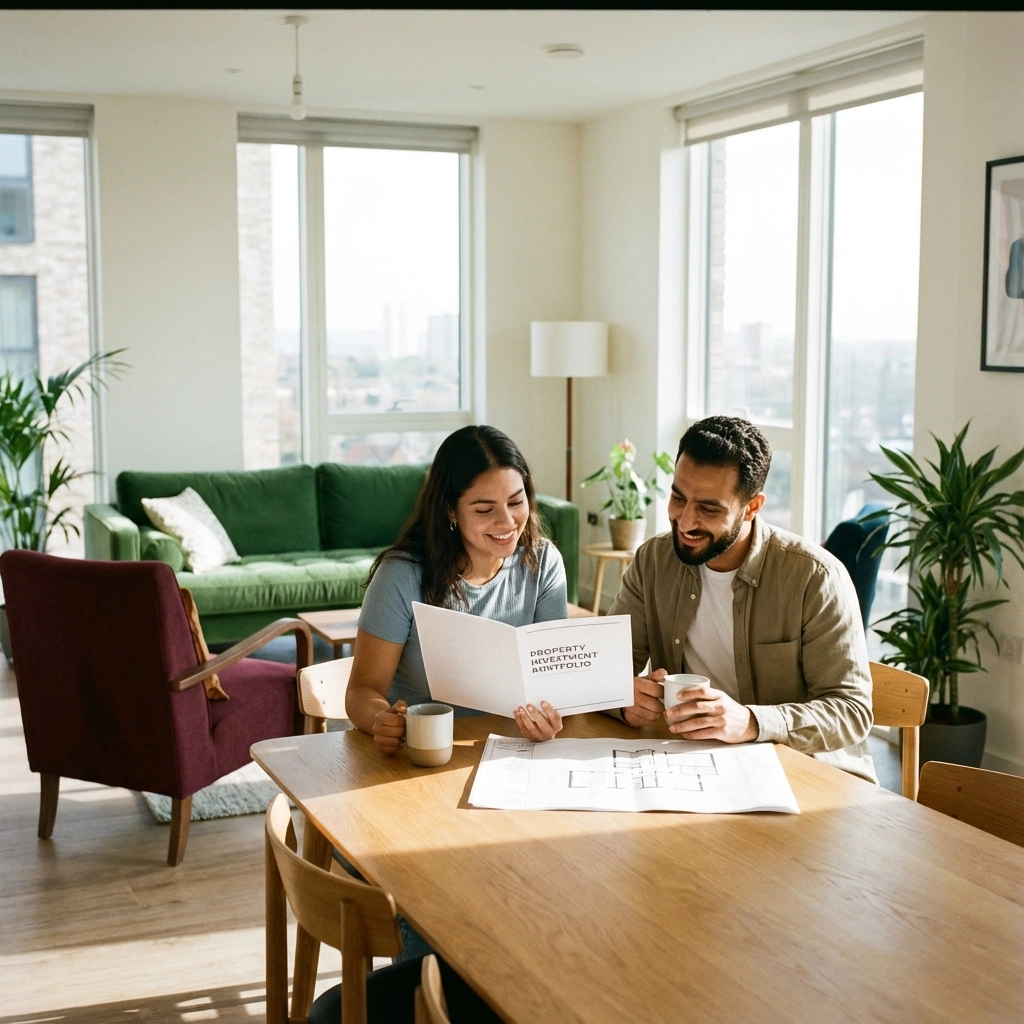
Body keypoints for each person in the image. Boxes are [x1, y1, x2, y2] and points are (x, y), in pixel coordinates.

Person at [608, 415, 876, 782]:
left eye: (709, 508)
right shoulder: (654, 560)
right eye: (677, 497)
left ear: (752, 507)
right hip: (697, 769)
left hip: (806, 778)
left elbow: (850, 712)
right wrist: (624, 701)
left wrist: (750, 722)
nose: (685, 522)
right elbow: (604, 672)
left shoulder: (815, 578)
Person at [346, 424, 567, 749]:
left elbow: (553, 683)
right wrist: (383, 719)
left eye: (516, 502)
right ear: (450, 510)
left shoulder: (543, 562)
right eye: (484, 509)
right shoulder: (402, 575)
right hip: (421, 751)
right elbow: (360, 693)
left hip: (511, 750)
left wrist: (549, 715)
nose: (507, 522)